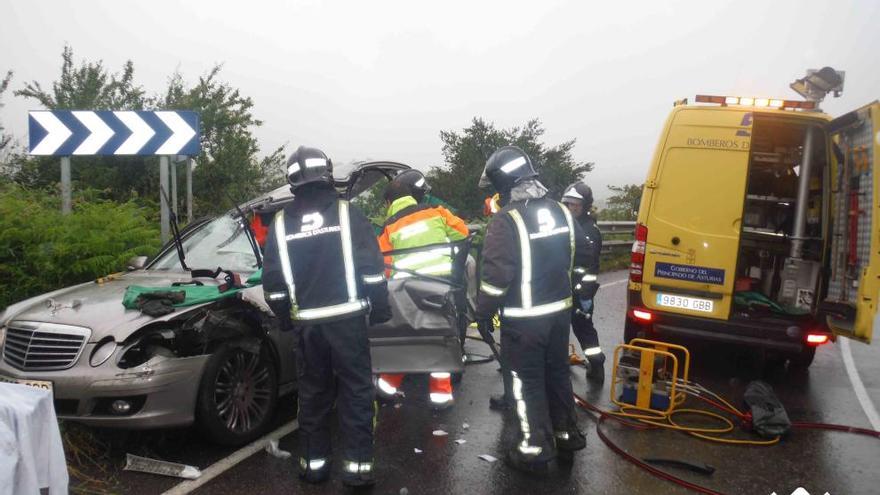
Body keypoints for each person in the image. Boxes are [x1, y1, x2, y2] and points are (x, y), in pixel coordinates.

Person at [262, 146, 392, 487]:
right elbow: (373, 271)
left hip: (307, 326)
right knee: (356, 393)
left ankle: (314, 467)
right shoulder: (348, 214)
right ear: (327, 173)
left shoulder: (278, 223)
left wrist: (285, 318)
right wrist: (381, 308)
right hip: (348, 322)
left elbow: (273, 285)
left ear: (292, 181)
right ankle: (357, 470)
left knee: (313, 395)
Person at [473, 146, 593, 473]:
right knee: (556, 373)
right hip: (558, 315)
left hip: (524, 321)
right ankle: (566, 433)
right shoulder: (560, 210)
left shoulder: (506, 219)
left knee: (524, 381)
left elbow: (496, 277)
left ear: (505, 182)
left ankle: (534, 447)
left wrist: (483, 313)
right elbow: (582, 250)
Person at [374, 169, 469, 409]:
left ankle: (386, 388)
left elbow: (382, 264)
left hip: (404, 292)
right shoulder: (437, 212)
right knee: (439, 340)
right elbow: (463, 233)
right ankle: (440, 397)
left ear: (390, 202)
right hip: (437, 288)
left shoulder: (389, 226)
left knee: (407, 341)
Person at [561, 182, 606, 382]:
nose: (572, 208)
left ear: (585, 205)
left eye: (576, 204)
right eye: (569, 203)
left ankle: (596, 364)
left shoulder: (589, 230)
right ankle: (559, 363)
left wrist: (585, 293)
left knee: (584, 330)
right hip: (562, 290)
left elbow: (591, 265)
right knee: (558, 329)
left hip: (580, 293)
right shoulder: (564, 225)